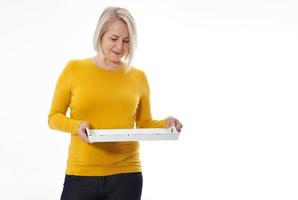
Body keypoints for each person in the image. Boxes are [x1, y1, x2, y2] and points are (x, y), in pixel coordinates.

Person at [48, 6, 183, 200]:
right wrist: (76, 126)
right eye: (114, 39)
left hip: (126, 175)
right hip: (81, 174)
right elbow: (53, 117)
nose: (120, 47)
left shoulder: (138, 77)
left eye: (127, 41)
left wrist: (166, 124)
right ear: (100, 35)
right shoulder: (74, 69)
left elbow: (143, 123)